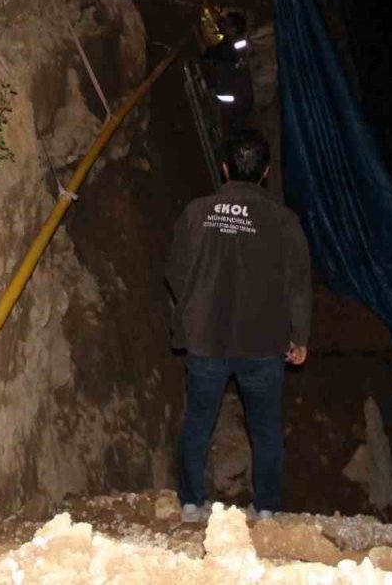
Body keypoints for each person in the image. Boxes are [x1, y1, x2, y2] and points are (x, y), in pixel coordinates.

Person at [164, 128, 314, 523]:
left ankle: (191, 504)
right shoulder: (283, 221)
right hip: (263, 344)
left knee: (198, 420)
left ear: (226, 167)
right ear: (265, 172)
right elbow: (298, 284)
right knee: (264, 429)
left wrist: (196, 307)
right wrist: (299, 336)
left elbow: (175, 271)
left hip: (206, 340)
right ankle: (265, 510)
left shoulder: (197, 212)